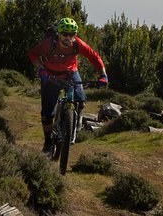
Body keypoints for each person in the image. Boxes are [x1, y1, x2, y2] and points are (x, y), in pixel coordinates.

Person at [27, 17, 109, 154]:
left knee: (80, 100)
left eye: (72, 35)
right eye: (65, 34)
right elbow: (33, 54)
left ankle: (73, 123)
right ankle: (48, 142)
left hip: (70, 73)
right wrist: (41, 69)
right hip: (50, 75)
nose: (68, 38)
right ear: (59, 33)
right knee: (47, 115)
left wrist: (103, 75)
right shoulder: (49, 44)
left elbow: (94, 57)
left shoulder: (77, 44)